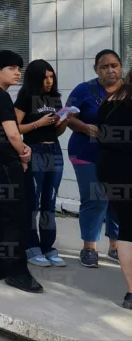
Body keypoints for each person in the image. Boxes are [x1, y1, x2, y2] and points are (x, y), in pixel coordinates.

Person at [0, 50, 40, 293]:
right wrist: (24, 152)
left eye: (19, 69)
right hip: (4, 164)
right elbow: (13, 133)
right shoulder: (0, 96)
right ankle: (16, 272)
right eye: (12, 68)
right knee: (14, 217)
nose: (17, 73)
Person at [67, 49, 122, 268]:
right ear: (96, 70)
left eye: (114, 65)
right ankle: (89, 247)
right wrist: (83, 127)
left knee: (118, 200)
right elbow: (66, 117)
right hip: (85, 153)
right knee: (96, 198)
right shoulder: (84, 90)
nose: (110, 70)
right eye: (104, 66)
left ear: (121, 67)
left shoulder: (127, 91)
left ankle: (115, 246)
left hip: (118, 155)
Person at [14, 60, 70, 268]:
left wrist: (62, 121)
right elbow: (16, 127)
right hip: (35, 150)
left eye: (51, 77)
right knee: (33, 201)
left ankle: (48, 246)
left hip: (53, 150)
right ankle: (31, 245)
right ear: (35, 78)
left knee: (50, 200)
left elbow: (56, 132)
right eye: (45, 77)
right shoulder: (26, 97)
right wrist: (38, 123)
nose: (49, 81)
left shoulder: (55, 98)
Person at [97, 68, 132, 310]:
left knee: (127, 228)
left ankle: (131, 293)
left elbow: (102, 135)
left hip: (111, 171)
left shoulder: (110, 100)